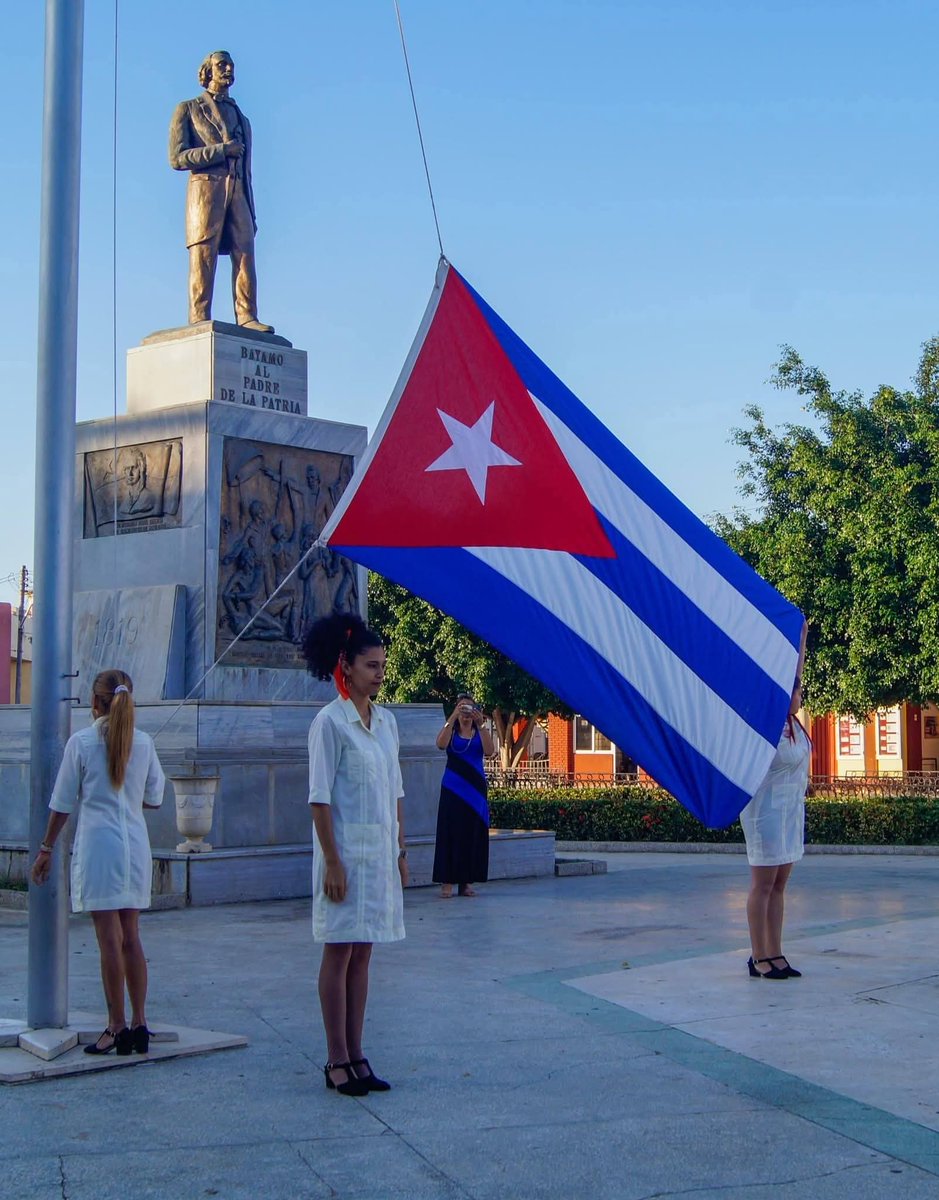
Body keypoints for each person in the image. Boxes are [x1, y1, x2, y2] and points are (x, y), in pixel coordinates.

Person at [30, 670, 166, 1054]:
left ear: (94, 702)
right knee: (132, 937)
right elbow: (154, 799)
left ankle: (116, 1026)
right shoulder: (143, 742)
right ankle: (140, 1023)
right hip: (134, 845)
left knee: (109, 940)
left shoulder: (83, 742)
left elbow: (61, 803)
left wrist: (45, 848)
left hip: (99, 847)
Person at [303, 614, 407, 1096]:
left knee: (364, 953)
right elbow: (320, 798)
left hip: (379, 855)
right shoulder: (329, 723)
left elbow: (396, 793)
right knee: (339, 951)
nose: (379, 673)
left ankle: (359, 1052)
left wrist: (401, 850)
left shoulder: (385, 722)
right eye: (371, 665)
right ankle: (336, 1058)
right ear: (345, 665)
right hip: (344, 856)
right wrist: (333, 861)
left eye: (383, 664)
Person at [168, 50, 273, 331]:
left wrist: (251, 208)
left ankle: (247, 316)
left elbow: (248, 168)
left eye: (231, 65)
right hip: (206, 193)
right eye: (221, 64)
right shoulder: (188, 109)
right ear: (208, 71)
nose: (228, 69)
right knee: (203, 254)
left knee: (245, 252)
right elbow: (178, 158)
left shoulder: (242, 117)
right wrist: (222, 151)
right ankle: (199, 317)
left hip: (239, 192)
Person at [739, 674, 811, 980]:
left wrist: (802, 635)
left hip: (790, 813)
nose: (801, 696)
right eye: (797, 691)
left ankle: (776, 951)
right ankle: (759, 956)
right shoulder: (763, 728)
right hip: (765, 813)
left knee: (779, 885)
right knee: (763, 885)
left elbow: (794, 667)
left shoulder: (794, 725)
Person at [432, 693, 494, 899]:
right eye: (462, 708)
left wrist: (481, 723)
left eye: (469, 708)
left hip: (475, 790)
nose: (466, 712)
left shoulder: (479, 731)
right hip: (452, 787)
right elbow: (440, 744)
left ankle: (467, 882)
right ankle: (447, 882)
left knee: (471, 834)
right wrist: (451, 718)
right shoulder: (451, 730)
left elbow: (489, 751)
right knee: (450, 832)